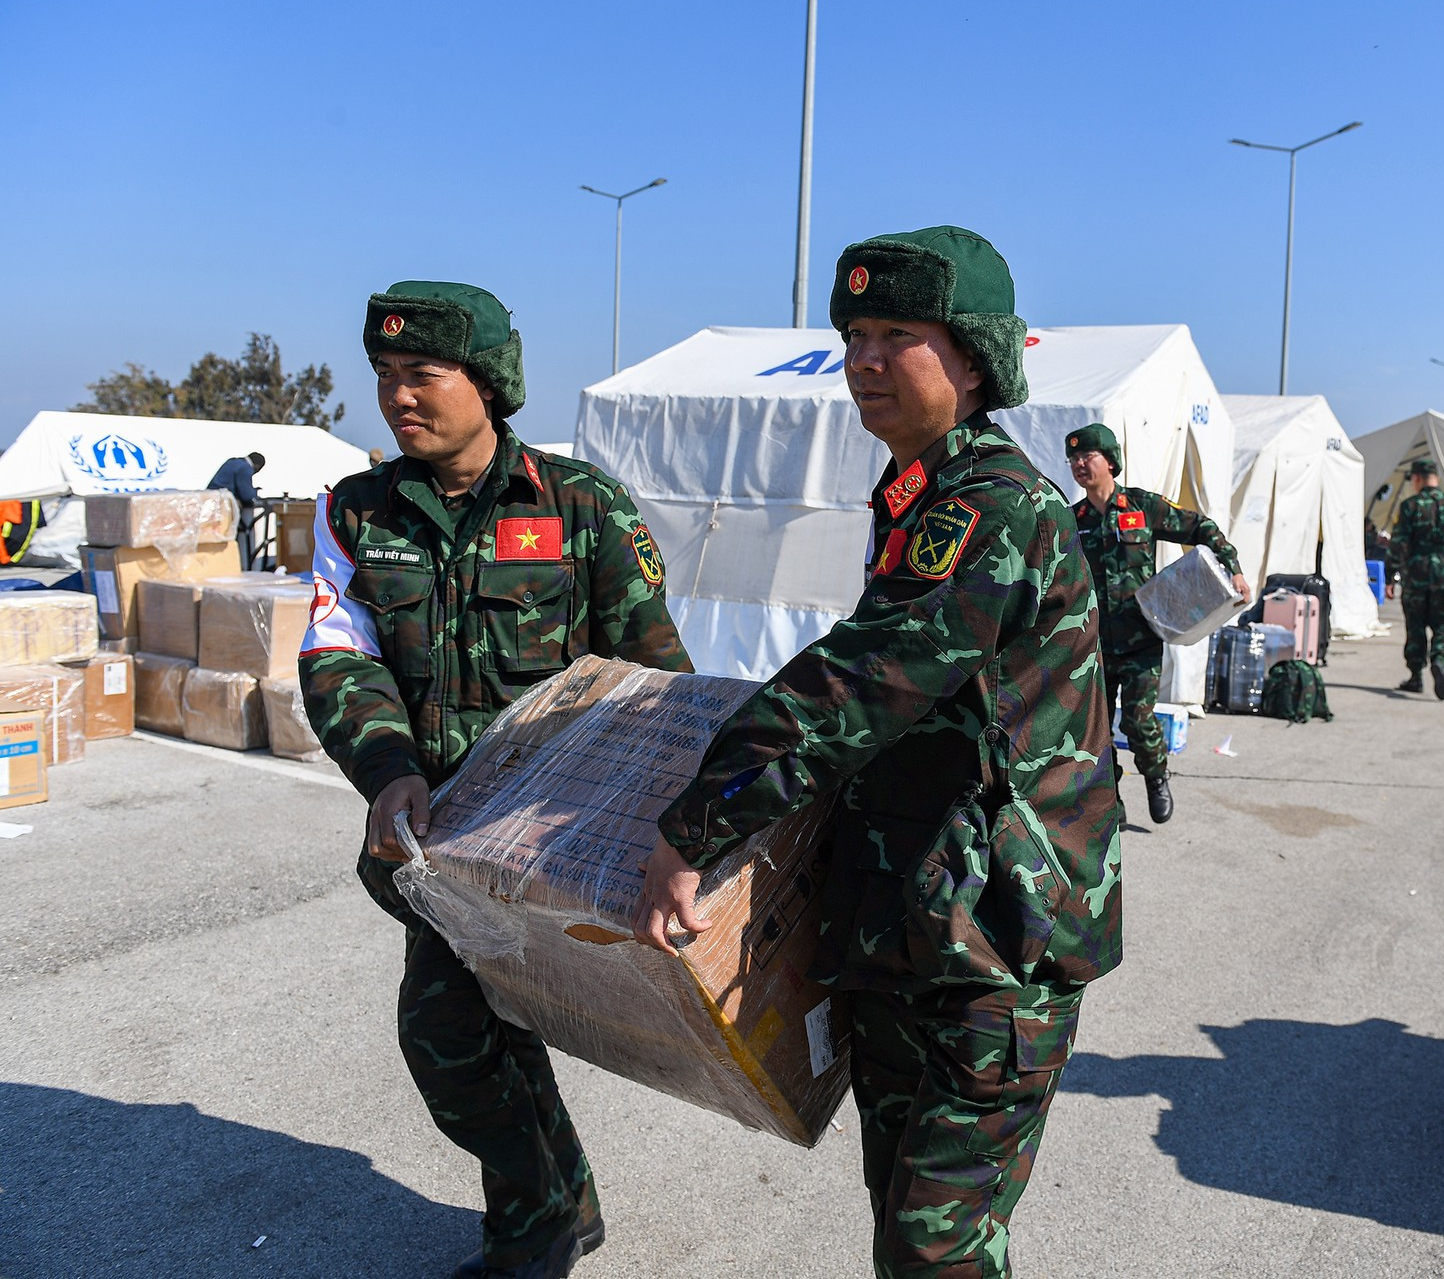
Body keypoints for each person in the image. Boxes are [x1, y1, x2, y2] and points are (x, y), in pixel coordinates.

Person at [635, 227, 1120, 1278]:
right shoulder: (913, 500)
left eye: (897, 332)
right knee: (902, 1221)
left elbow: (863, 681)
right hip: (916, 924)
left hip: (997, 943)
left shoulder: (993, 508)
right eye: (852, 333)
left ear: (975, 355)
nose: (862, 358)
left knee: (933, 1248)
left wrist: (694, 822)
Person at [301, 280, 691, 1279]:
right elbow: (339, 654)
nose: (398, 395)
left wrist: (673, 834)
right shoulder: (356, 511)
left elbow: (657, 682)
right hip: (435, 844)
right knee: (459, 1036)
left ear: (489, 381)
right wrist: (386, 769)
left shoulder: (581, 506)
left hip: (551, 843)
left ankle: (537, 1227)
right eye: (384, 375)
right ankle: (555, 1204)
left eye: (423, 374)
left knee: (466, 1033)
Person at [1064, 421, 1247, 824]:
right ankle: (1109, 797)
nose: (1079, 464)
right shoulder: (1071, 518)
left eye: (1087, 456)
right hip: (1092, 640)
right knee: (1094, 729)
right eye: (1073, 458)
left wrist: (1232, 569)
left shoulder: (1142, 507)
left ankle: (1156, 776)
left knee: (1137, 719)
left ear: (1110, 461)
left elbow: (1201, 528)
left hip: (1140, 637)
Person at [1388, 458, 1444, 699]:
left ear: (1416, 479)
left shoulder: (1410, 506)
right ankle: (1439, 659)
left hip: (1415, 576)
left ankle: (1416, 677)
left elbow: (1397, 545)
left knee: (1415, 627)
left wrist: (1389, 576)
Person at [208, 451, 265, 568]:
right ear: (258, 467)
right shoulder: (245, 468)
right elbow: (246, 495)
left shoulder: (232, 462)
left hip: (211, 503)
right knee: (229, 537)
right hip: (223, 507)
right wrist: (255, 492)